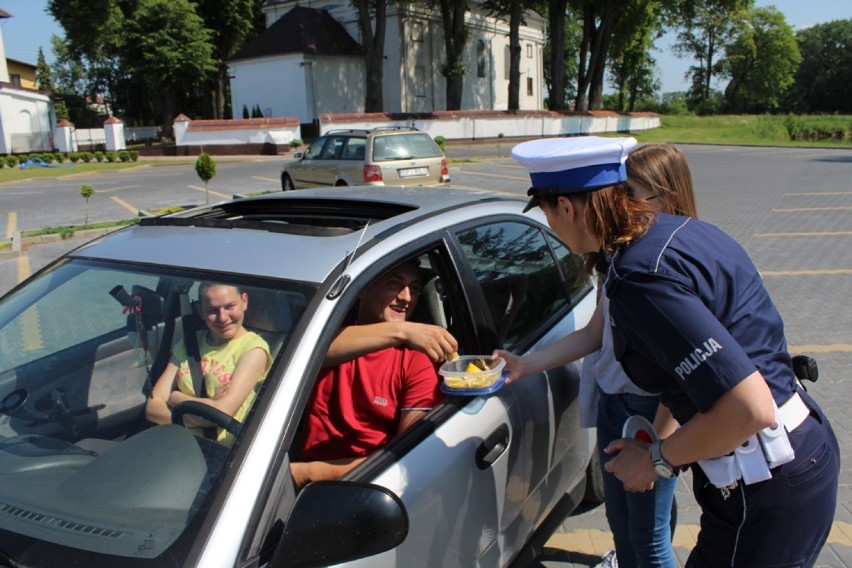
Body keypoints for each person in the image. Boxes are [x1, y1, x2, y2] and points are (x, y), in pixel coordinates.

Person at [510, 135, 839, 567]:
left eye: (549, 216)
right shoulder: (675, 234)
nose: (553, 229)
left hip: (763, 484)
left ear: (567, 208)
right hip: (794, 459)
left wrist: (656, 460)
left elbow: (750, 409)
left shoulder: (639, 278)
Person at [495, 143, 697, 568]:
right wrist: (525, 364)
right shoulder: (618, 259)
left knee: (649, 537)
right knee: (625, 524)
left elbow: (679, 377)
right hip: (615, 405)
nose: (627, 205)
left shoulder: (650, 272)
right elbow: (595, 333)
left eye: (635, 195)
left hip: (647, 415)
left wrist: (656, 448)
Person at [290, 259, 455, 487]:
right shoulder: (333, 332)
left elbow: (409, 453)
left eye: (414, 289)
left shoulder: (418, 360)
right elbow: (308, 353)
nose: (406, 297)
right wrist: (402, 330)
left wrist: (310, 473)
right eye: (394, 284)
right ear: (362, 290)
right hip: (293, 473)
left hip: (366, 482)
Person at [145, 282, 272, 445]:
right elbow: (152, 406)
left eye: (230, 306)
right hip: (177, 444)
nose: (222, 317)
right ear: (200, 311)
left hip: (216, 451)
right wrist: (209, 407)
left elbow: (222, 413)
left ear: (244, 301)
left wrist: (176, 398)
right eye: (212, 310)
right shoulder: (188, 344)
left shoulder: (253, 350)